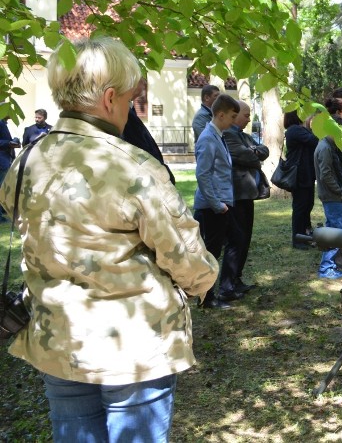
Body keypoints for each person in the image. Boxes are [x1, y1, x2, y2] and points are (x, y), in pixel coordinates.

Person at [0, 38, 218, 441]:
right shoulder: (133, 166)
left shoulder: (26, 160)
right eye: (132, 100)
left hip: (58, 337)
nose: (131, 110)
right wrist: (205, 282)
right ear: (109, 98)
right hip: (133, 348)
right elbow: (187, 259)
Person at [194, 93, 244, 308]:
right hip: (213, 206)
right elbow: (203, 174)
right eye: (233, 116)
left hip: (221, 203)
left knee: (236, 241)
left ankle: (224, 289)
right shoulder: (207, 138)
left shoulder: (218, 135)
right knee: (213, 251)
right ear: (220, 115)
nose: (234, 121)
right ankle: (207, 297)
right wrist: (217, 205)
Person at [223, 100, 270, 293]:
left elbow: (264, 151)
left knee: (245, 239)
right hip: (237, 195)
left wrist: (254, 151)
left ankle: (236, 279)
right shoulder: (228, 135)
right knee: (237, 240)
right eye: (246, 115)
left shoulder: (244, 136)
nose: (249, 119)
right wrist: (253, 152)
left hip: (247, 194)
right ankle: (228, 284)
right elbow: (247, 157)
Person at [314, 98, 342, 278]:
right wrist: (339, 190)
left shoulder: (330, 146)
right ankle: (326, 268)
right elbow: (326, 174)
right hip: (332, 196)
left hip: (335, 196)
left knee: (334, 230)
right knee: (335, 233)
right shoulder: (325, 147)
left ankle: (329, 266)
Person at [283, 110, 318, 248]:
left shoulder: (298, 130)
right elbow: (314, 140)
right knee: (300, 207)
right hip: (300, 175)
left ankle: (304, 235)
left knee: (307, 205)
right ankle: (298, 239)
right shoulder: (295, 130)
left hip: (306, 174)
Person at [0, 115, 20, 222]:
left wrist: (14, 142)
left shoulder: (5, 124)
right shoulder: (0, 123)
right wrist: (8, 143)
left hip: (6, 159)